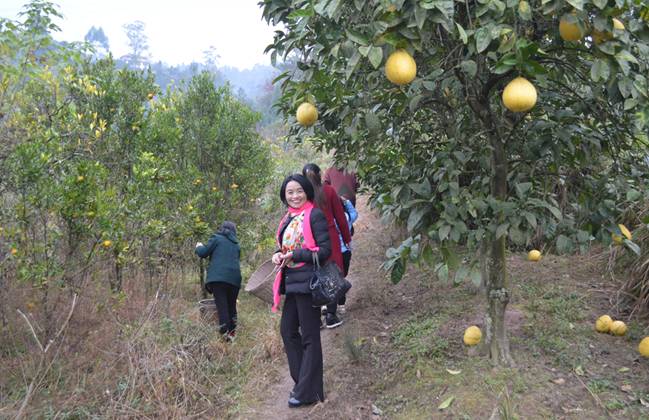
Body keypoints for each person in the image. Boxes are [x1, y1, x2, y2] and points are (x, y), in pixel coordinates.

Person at [271, 173, 331, 408]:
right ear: (284, 196)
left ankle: (309, 391)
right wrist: (278, 254)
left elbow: (324, 250)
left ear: (306, 191)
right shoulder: (288, 218)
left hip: (309, 283)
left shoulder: (314, 214)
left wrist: (296, 255)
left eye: (298, 191)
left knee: (309, 335)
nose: (295, 196)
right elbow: (283, 246)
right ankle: (304, 384)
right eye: (290, 192)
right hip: (292, 281)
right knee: (287, 331)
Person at [302, 163, 351, 329]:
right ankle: (331, 315)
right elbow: (341, 218)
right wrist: (346, 238)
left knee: (314, 274)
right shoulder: (329, 191)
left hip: (309, 239)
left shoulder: (303, 195)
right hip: (330, 237)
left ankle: (316, 319)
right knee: (333, 273)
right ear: (319, 174)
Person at [195, 221, 241, 341]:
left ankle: (224, 337)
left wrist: (199, 246)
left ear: (222, 229)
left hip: (218, 279)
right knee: (231, 307)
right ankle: (232, 335)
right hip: (235, 280)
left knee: (222, 307)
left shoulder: (217, 238)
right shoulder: (236, 244)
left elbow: (203, 253)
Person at [336, 196, 357, 314]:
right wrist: (346, 201)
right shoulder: (347, 217)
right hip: (345, 252)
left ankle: (326, 305)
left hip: (333, 253)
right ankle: (341, 305)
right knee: (341, 278)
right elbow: (354, 213)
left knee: (331, 278)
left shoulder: (329, 219)